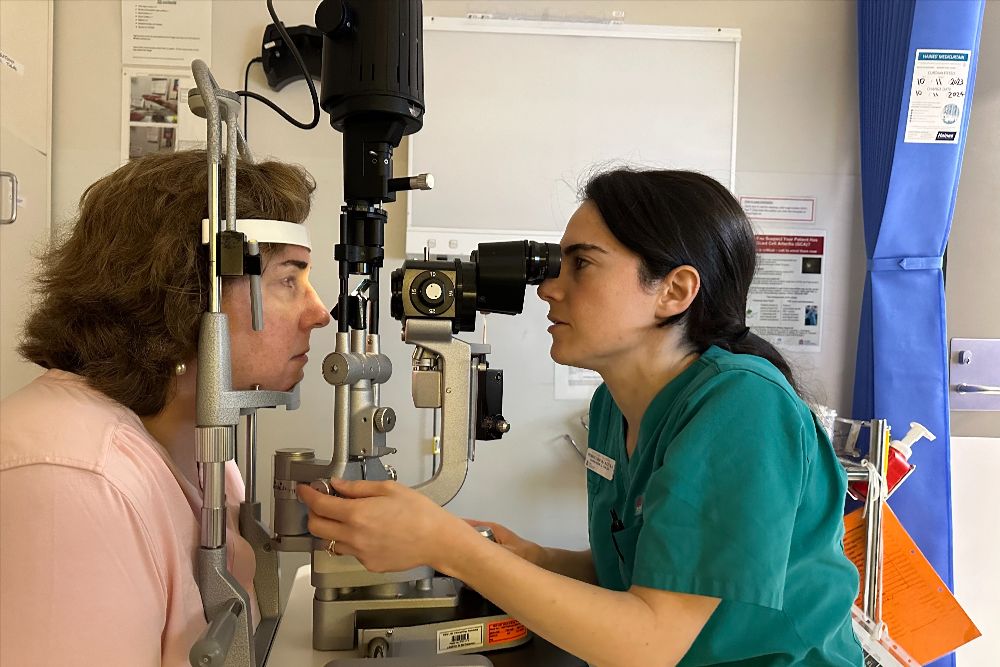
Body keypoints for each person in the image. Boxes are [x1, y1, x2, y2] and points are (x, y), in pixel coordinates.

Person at [297, 168, 863, 666]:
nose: (547, 288)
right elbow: (646, 565)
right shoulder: (613, 407)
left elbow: (649, 641)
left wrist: (449, 546)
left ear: (674, 290)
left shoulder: (742, 408)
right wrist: (535, 558)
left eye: (581, 265)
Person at [0, 150, 331, 665]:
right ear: (188, 292)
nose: (319, 313)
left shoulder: (200, 443)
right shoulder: (74, 477)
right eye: (289, 279)